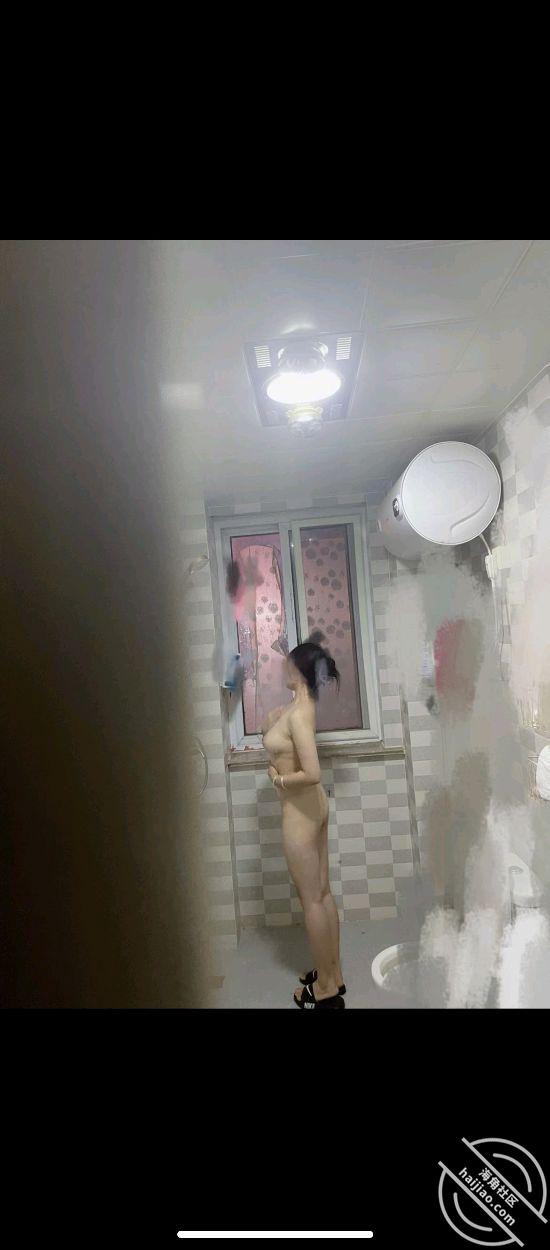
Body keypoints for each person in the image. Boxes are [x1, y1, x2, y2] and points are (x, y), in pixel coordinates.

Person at [261, 636, 346, 1009]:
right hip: (314, 808)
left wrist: (278, 780)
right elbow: (281, 736)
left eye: (288, 663)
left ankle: (325, 988)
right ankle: (332, 974)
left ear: (298, 671)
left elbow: (311, 772)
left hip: (300, 814)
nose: (283, 666)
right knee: (322, 894)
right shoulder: (301, 705)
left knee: (311, 900)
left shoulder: (297, 715)